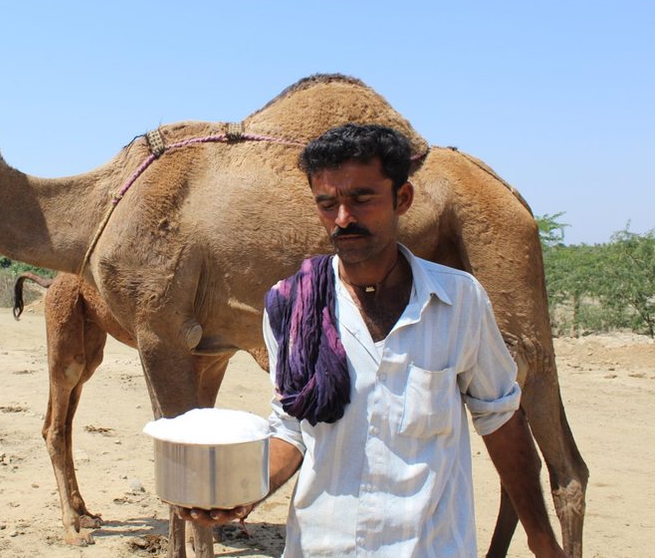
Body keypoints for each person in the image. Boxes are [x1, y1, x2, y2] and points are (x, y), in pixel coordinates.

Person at [176, 124, 566, 557]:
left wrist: (541, 538)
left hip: (432, 547)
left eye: (361, 199)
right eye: (328, 204)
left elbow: (501, 421)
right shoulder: (291, 306)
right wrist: (244, 491)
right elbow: (292, 429)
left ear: (402, 199)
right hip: (322, 546)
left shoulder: (459, 301)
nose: (344, 218)